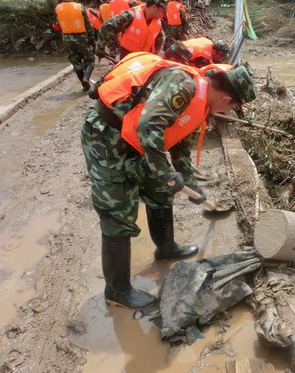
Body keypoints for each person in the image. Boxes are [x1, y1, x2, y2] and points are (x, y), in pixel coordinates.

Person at [81, 51, 257, 308]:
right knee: (117, 212)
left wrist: (189, 183)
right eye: (232, 107)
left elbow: (179, 144)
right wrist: (165, 172)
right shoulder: (184, 85)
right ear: (227, 98)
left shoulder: (200, 100)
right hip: (106, 136)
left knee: (160, 191)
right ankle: (116, 291)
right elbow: (147, 126)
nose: (227, 110)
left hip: (137, 142)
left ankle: (166, 248)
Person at [96, 0, 167, 60]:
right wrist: (100, 46)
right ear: (154, 7)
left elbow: (160, 38)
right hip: (128, 57)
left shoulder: (157, 22)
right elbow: (108, 26)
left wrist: (155, 55)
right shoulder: (131, 16)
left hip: (145, 59)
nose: (164, 13)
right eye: (163, 10)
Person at [53, 0, 96, 91]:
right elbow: (88, 25)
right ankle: (86, 78)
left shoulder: (58, 8)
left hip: (67, 38)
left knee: (76, 62)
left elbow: (56, 25)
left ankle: (84, 85)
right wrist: (92, 38)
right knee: (89, 60)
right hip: (81, 37)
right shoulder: (79, 7)